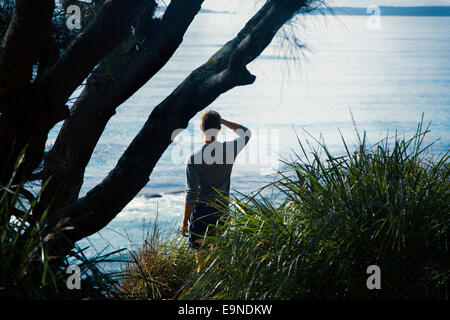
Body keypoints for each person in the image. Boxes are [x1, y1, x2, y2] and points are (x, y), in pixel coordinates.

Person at [180, 110, 251, 256]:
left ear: (201, 127)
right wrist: (222, 121)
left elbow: (191, 193)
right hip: (222, 211)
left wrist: (184, 222)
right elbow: (246, 132)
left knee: (201, 258)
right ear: (219, 129)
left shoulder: (193, 158)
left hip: (201, 214)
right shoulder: (230, 149)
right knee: (218, 257)